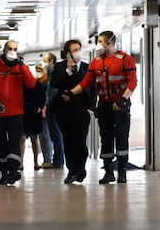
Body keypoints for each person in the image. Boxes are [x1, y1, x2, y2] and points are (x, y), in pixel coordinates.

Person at [64, 30, 137, 184]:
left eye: (101, 42)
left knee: (122, 136)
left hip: (120, 104)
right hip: (104, 105)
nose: (99, 45)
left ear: (109, 42)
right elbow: (86, 82)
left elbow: (132, 81)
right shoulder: (96, 61)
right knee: (106, 138)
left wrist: (124, 99)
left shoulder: (125, 59)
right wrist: (72, 93)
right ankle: (108, 171)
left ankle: (122, 172)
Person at [0, 40, 37, 185]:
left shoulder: (20, 67)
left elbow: (31, 83)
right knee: (0, 143)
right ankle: (4, 172)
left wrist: (22, 66)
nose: (12, 51)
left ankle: (13, 170)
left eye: (15, 49)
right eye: (10, 48)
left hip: (15, 113)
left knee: (14, 141)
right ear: (5, 50)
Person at [50, 39, 94, 184]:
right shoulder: (60, 67)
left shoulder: (87, 68)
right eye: (74, 50)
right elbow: (55, 83)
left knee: (80, 141)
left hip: (81, 110)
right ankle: (72, 171)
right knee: (68, 141)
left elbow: (92, 89)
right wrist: (68, 72)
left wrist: (91, 108)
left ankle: (80, 168)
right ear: (67, 53)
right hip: (64, 110)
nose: (77, 52)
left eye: (78, 49)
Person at [20, 63, 47, 171]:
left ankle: (31, 162)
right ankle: (24, 162)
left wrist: (40, 107)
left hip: (31, 113)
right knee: (29, 139)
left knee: (30, 139)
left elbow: (42, 97)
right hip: (29, 113)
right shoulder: (36, 84)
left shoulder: (35, 84)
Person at [42, 52, 64, 169]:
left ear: (51, 61)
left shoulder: (55, 73)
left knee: (56, 135)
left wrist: (48, 104)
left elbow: (54, 92)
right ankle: (57, 161)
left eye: (46, 61)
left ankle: (58, 162)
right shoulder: (49, 74)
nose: (44, 64)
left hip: (54, 108)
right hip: (51, 107)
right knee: (54, 135)